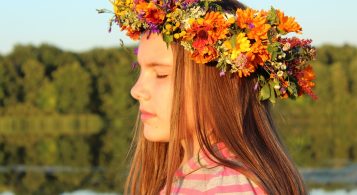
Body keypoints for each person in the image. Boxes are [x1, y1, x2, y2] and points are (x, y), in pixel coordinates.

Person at [102, 0, 317, 194]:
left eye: (161, 74)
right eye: (140, 71)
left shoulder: (228, 186)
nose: (136, 90)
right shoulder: (194, 175)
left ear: (223, 84)